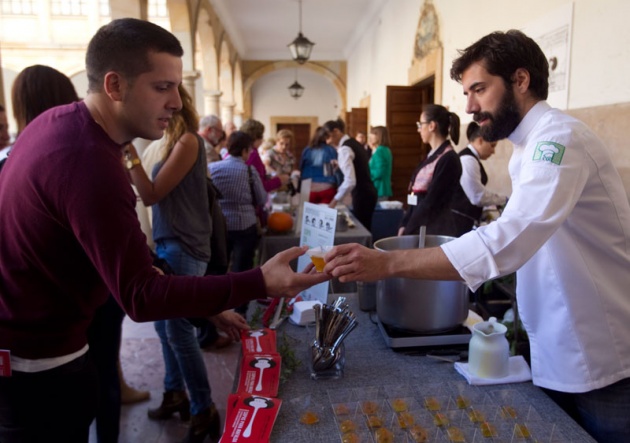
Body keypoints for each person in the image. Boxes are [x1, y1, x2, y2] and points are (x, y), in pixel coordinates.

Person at [0, 18, 327, 443]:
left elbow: (134, 256)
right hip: (37, 367)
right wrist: (259, 280)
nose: (176, 101)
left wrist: (206, 307)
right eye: (161, 87)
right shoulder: (90, 162)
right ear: (115, 86)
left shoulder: (62, 125)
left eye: (177, 86)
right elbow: (139, 295)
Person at [324, 30, 630, 443]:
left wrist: (389, 263)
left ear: (520, 80)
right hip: (559, 346)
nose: (469, 107)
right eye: (467, 93)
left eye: (479, 89)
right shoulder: (529, 146)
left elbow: (513, 237)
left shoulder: (558, 140)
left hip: (598, 354)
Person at [126, 84, 241, 442]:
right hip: (169, 243)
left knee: (178, 332)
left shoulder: (189, 142)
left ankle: (203, 408)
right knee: (165, 329)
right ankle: (175, 393)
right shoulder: (173, 144)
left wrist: (126, 150)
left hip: (185, 246)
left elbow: (150, 192)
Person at [209, 131, 268, 317]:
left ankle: (219, 310)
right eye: (249, 150)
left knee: (219, 269)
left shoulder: (212, 168)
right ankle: (240, 312)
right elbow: (261, 198)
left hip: (220, 227)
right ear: (244, 150)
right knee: (242, 271)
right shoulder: (249, 171)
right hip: (245, 226)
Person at [398, 104, 462, 236]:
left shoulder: (449, 159)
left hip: (433, 229)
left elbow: (432, 201)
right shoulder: (432, 155)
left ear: (432, 126)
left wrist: (409, 228)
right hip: (419, 225)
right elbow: (414, 196)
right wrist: (404, 223)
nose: (418, 129)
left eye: (420, 124)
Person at [451, 121, 508, 236]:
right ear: (480, 140)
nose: (493, 151)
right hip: (457, 222)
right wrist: (503, 200)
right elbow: (477, 196)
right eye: (492, 145)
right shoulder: (468, 160)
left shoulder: (472, 159)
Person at [323, 118, 377, 231]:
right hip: (369, 192)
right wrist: (340, 164)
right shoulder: (353, 142)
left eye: (328, 137)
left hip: (362, 195)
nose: (328, 142)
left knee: (361, 231)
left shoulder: (344, 149)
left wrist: (334, 200)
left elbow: (350, 181)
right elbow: (358, 164)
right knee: (366, 227)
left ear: (336, 131)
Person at [299, 126, 338, 204]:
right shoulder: (330, 150)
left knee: (309, 214)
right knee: (325, 215)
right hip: (327, 188)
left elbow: (301, 167)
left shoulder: (307, 150)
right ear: (326, 137)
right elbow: (332, 171)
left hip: (309, 188)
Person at [368, 126, 393, 201]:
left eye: (373, 134)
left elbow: (379, 172)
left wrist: (366, 173)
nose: (370, 137)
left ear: (379, 136)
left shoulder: (380, 150)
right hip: (382, 189)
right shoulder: (385, 149)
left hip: (379, 189)